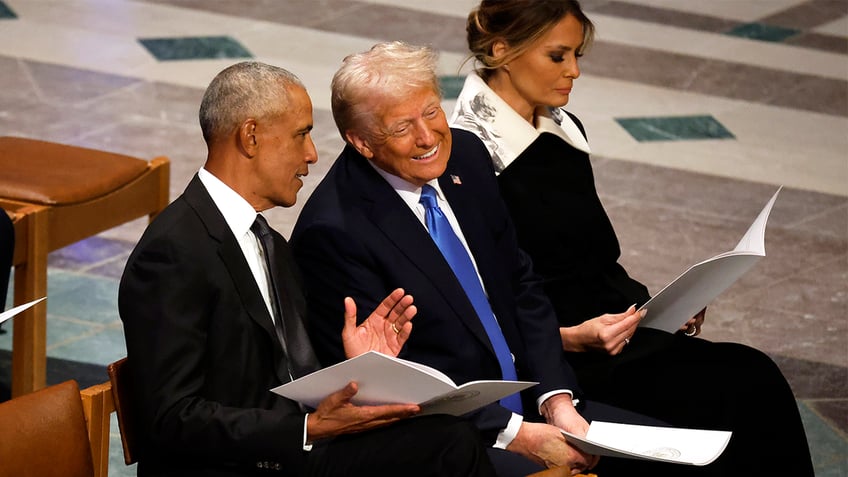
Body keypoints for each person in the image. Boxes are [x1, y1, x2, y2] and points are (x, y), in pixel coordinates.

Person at [289, 41, 705, 477]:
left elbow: (521, 284)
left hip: (534, 400)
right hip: (457, 435)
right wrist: (515, 433)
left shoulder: (466, 154)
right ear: (361, 141)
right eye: (401, 128)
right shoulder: (334, 232)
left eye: (432, 112)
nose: (428, 137)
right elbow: (388, 381)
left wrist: (557, 400)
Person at [449, 1, 814, 475]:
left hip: (619, 335)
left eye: (578, 55)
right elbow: (478, 299)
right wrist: (571, 339)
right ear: (502, 50)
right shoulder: (466, 155)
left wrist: (662, 305)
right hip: (559, 361)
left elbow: (588, 258)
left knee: (751, 377)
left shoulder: (564, 129)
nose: (574, 72)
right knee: (739, 389)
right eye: (558, 56)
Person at [118, 61, 497, 477]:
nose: (312, 155)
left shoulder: (268, 242)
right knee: (448, 448)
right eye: (302, 134)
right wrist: (305, 428)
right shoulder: (173, 252)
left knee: (447, 435)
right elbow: (172, 417)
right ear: (251, 137)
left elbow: (282, 371)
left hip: (295, 451)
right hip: (242, 463)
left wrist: (362, 369)